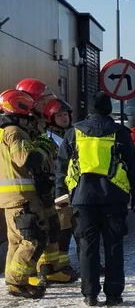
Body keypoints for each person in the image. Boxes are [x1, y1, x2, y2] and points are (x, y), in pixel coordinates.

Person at [57, 92, 135, 306]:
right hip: (114, 198)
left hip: (82, 200)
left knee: (87, 247)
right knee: (114, 246)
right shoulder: (120, 133)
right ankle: (113, 294)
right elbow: (133, 166)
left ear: (89, 111)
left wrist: (60, 197)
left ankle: (90, 294)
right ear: (108, 109)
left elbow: (61, 167)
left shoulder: (73, 133)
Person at [0, 89, 49, 298]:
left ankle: (19, 282)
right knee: (32, 240)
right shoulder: (14, 132)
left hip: (10, 197)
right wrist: (43, 148)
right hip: (21, 196)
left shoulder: (3, 131)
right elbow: (27, 159)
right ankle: (15, 281)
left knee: (16, 242)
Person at [39, 97, 78, 283]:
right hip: (58, 188)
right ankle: (61, 265)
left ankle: (83, 262)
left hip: (75, 188)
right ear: (51, 118)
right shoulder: (47, 138)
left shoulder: (74, 134)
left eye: (66, 114)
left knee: (77, 227)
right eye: (59, 115)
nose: (64, 118)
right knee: (63, 228)